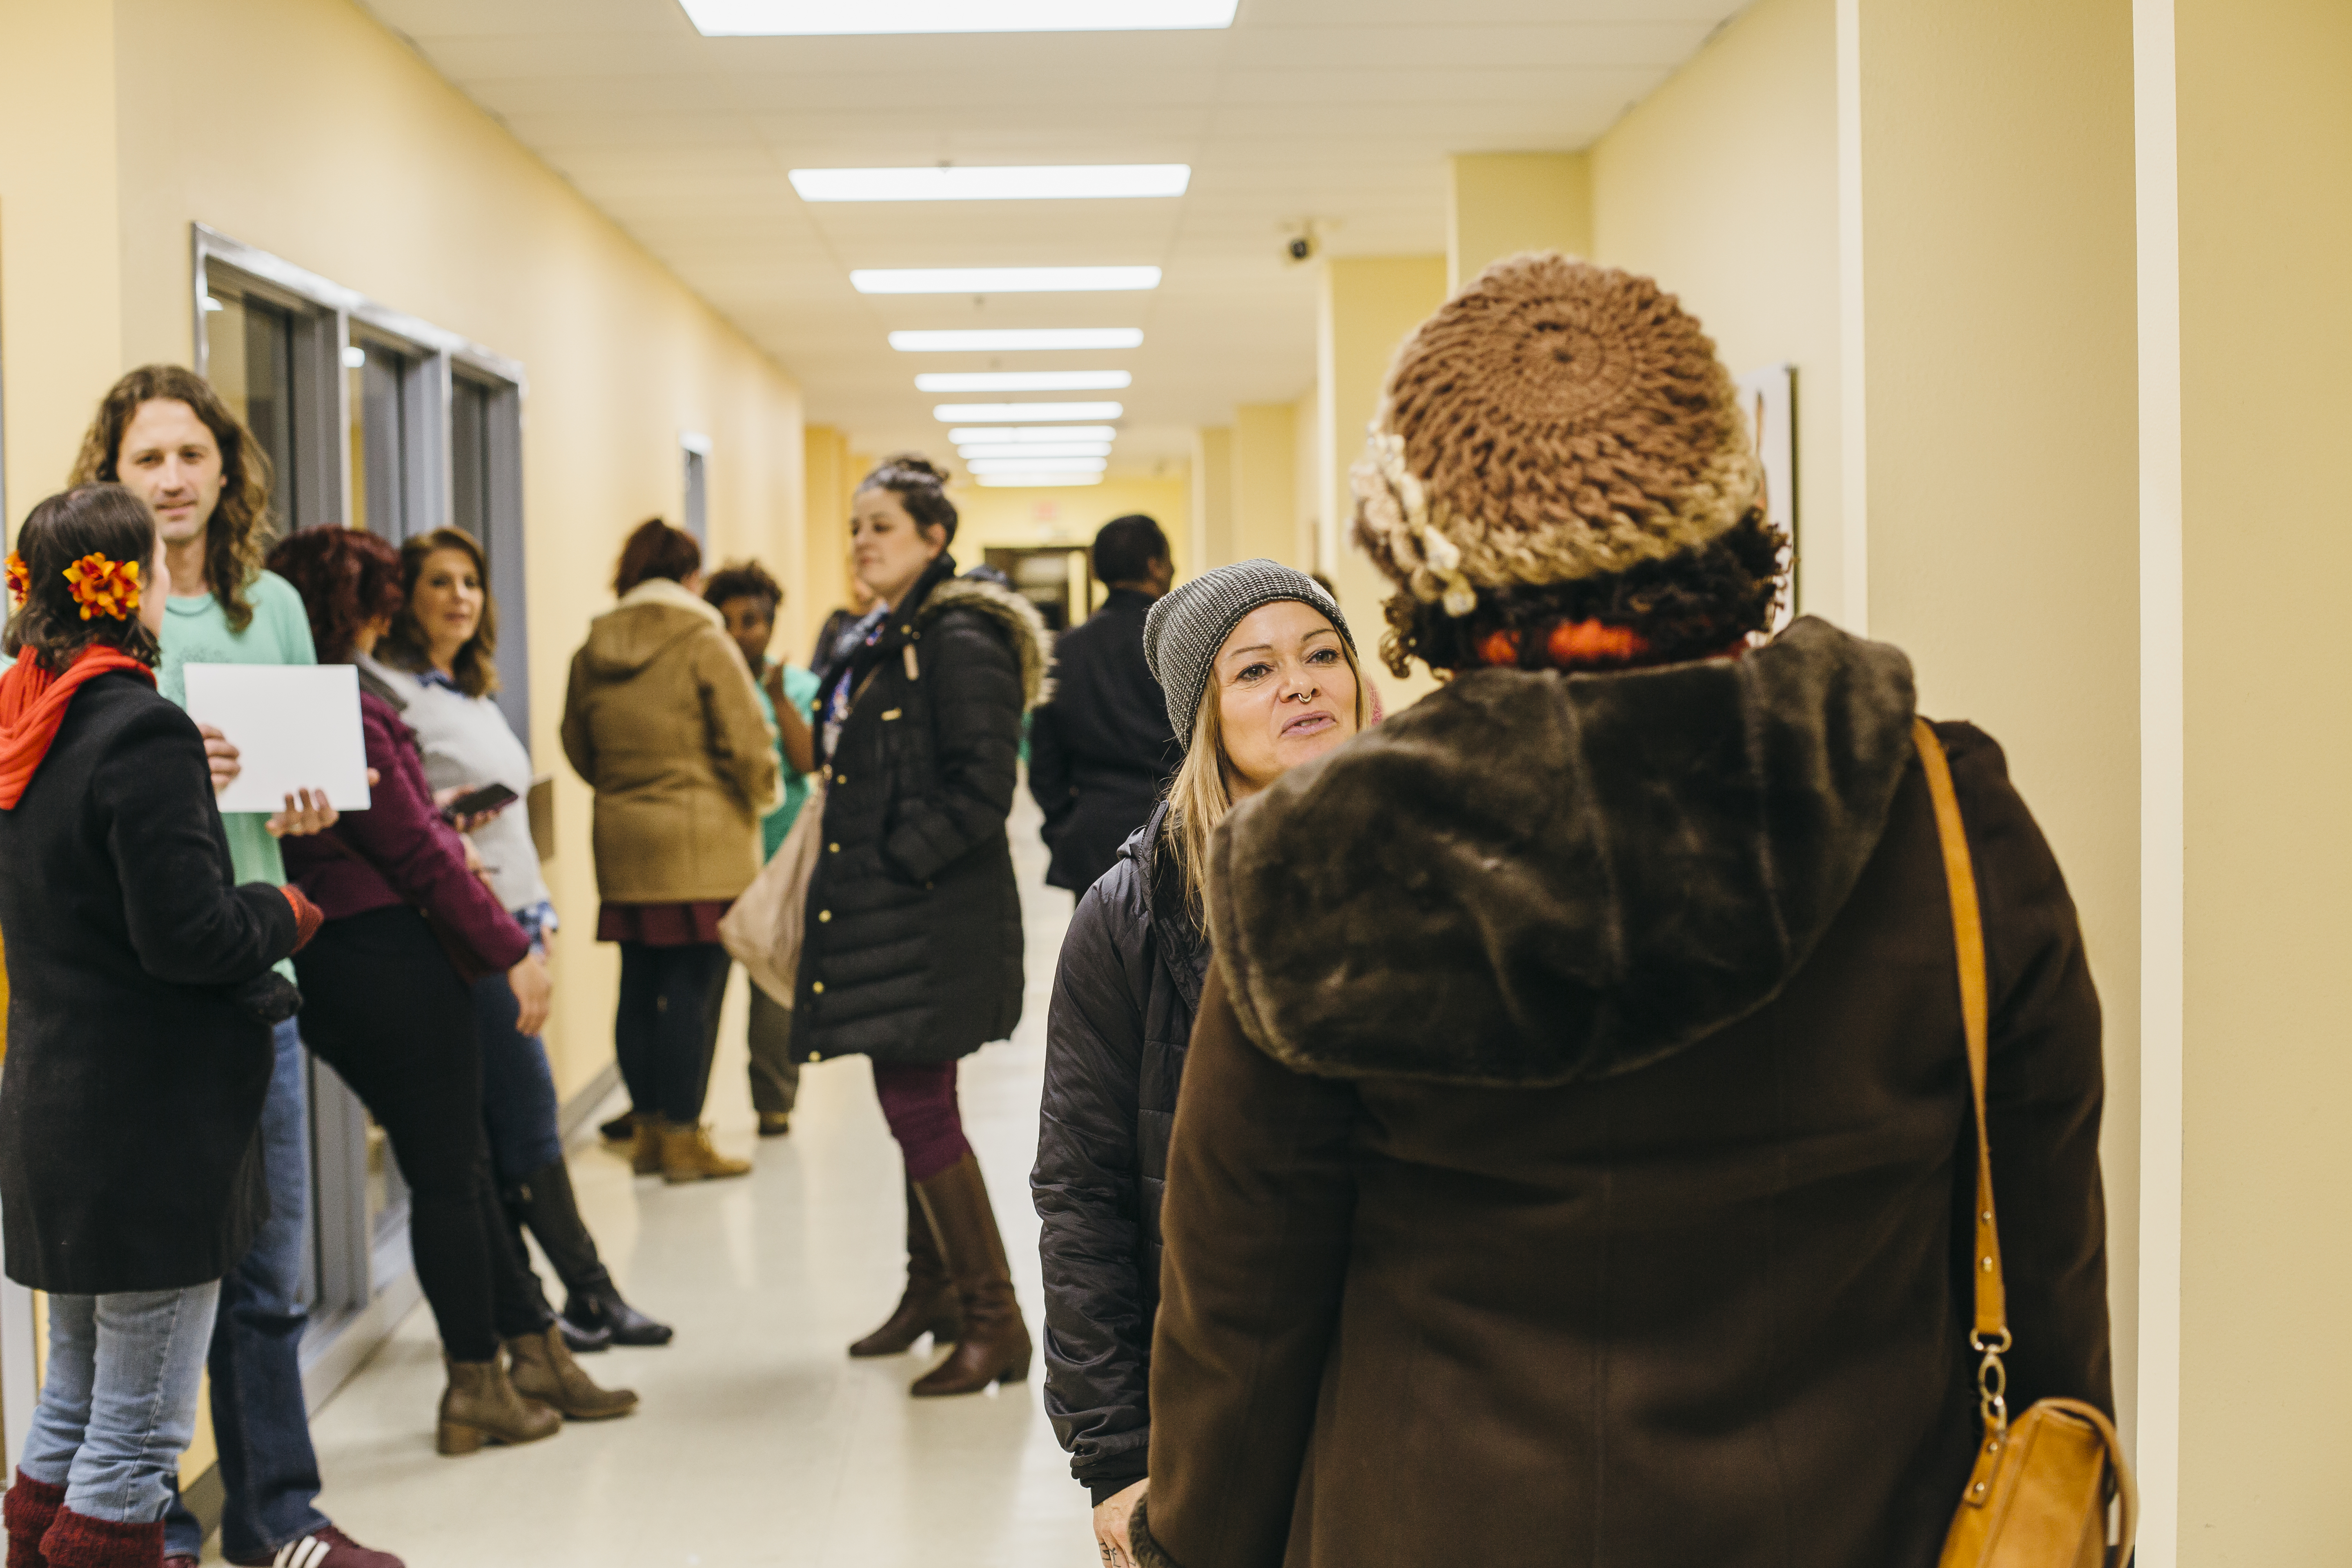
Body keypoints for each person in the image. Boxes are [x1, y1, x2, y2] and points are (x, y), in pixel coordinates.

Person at [1128, 255, 2114, 1568]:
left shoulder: (1309, 870)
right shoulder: (1938, 816)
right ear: (1736, 496)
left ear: (1414, 547)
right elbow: (2046, 1270)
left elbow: (1241, 1339)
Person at [65, 365, 399, 1568]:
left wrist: (308, 800)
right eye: (147, 457)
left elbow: (303, 801)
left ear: (225, 469)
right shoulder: (82, 630)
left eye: (190, 456)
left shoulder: (270, 610)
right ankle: (144, 1522)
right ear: (112, 472)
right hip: (143, 997)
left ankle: (278, 1516)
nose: (170, 479)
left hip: (258, 982)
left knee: (263, 1269)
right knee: (141, 1281)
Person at [0, 484, 318, 1568]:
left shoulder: (19, 724)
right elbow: (188, 937)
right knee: (135, 1437)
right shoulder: (140, 726)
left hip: (56, 1107)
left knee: (74, 1400)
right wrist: (284, 910)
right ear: (130, 582)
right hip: (152, 1125)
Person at [275, 526, 636, 1453]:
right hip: (381, 952)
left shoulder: (310, 697)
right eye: (382, 596)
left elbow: (400, 828)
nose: (391, 612)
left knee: (465, 1161)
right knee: (449, 1171)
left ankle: (534, 1349)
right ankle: (474, 1381)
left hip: (347, 953)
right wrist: (506, 943)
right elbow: (411, 848)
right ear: (350, 606)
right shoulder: (342, 704)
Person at [1034, 562, 1364, 1560]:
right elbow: (1081, 1192)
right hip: (1217, 1390)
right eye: (1253, 670)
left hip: (1400, 1372)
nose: (1299, 684)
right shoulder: (1131, 915)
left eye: (1320, 655)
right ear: (1203, 718)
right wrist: (1117, 1454)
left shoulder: (1435, 875)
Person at [375, 528, 672, 1350]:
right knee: (524, 1122)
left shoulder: (467, 695)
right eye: (440, 582)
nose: (461, 597)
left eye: (472, 581)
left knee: (512, 1126)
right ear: (406, 597)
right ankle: (577, 1298)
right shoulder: (391, 699)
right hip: (461, 944)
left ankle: (557, 1305)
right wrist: (443, 820)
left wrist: (539, 920)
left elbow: (507, 830)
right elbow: (396, 828)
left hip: (513, 928)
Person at [797, 454, 1045, 1398]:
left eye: (883, 525)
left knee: (919, 1107)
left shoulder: (958, 637)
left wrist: (896, 858)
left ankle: (996, 1319)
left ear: (935, 539)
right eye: (855, 525)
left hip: (929, 915)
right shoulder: (879, 636)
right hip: (892, 915)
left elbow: (984, 786)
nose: (862, 541)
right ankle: (932, 1292)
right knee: (912, 1102)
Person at [562, 519, 779, 1182]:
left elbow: (577, 743)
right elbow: (748, 741)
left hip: (623, 842)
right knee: (696, 989)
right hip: (705, 842)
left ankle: (652, 1131)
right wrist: (760, 793)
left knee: (639, 983)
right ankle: (686, 1139)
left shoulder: (590, 649)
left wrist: (627, 792)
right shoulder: (703, 640)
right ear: (692, 577)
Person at [701, 560, 820, 1137]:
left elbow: (809, 762)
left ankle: (774, 1103)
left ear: (771, 625)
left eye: (752, 621)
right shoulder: (698, 677)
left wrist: (777, 697)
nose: (739, 632)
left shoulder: (796, 686)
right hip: (713, 857)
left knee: (773, 991)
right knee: (700, 989)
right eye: (725, 621)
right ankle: (682, 1110)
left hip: (777, 858)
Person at [1027, 514, 1181, 896]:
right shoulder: (1182, 642)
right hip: (1179, 832)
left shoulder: (1065, 649)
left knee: (1101, 952)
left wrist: (1063, 827)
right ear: (1155, 565)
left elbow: (1044, 760)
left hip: (1095, 842)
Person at [807, 572, 879, 690]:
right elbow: (814, 670)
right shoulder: (837, 619)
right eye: (854, 579)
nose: (858, 587)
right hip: (831, 697)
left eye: (863, 579)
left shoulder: (886, 621)